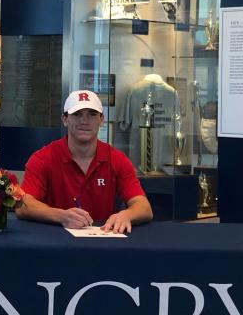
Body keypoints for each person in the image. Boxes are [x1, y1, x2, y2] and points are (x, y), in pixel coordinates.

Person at [16, 89, 153, 233]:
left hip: (104, 240)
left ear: (101, 120)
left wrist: (127, 214)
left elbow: (144, 207)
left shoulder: (117, 159)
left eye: (92, 114)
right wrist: (61, 216)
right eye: (77, 114)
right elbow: (23, 205)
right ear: (65, 119)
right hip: (55, 242)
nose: (84, 121)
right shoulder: (42, 158)